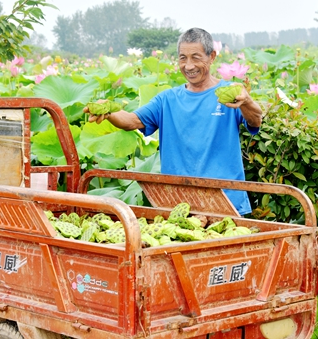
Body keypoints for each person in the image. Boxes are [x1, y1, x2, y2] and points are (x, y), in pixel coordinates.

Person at [84, 28, 263, 215]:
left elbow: (255, 120)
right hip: (179, 206)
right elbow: (131, 121)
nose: (189, 66)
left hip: (226, 204)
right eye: (183, 58)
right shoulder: (167, 100)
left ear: (212, 57)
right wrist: (109, 110)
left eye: (196, 57)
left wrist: (247, 101)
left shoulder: (231, 93)